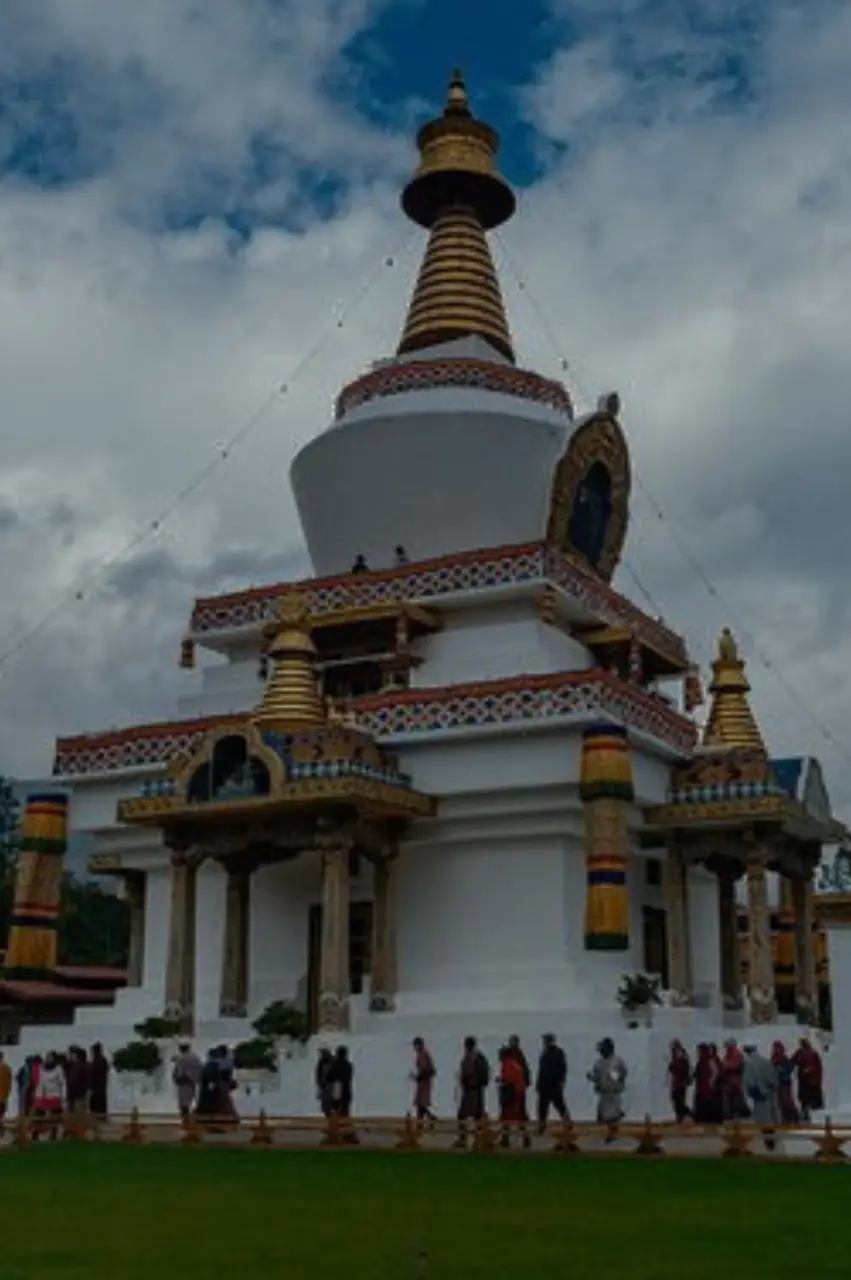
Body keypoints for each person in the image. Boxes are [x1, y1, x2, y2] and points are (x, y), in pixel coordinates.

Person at [454, 1036, 490, 1148]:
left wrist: (466, 1080)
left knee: (464, 1115)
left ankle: (465, 1139)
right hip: (474, 1090)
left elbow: (470, 1073)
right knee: (476, 1115)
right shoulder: (478, 1057)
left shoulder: (474, 1058)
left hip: (473, 1090)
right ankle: (479, 1138)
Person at [588, 1038, 627, 1140]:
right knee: (604, 1115)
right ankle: (612, 1129)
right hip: (603, 1092)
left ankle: (612, 1133)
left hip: (614, 1092)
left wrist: (617, 1081)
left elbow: (622, 1074)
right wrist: (593, 1079)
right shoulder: (599, 1062)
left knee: (611, 1114)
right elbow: (597, 1077)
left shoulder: (617, 1061)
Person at [742, 1043, 779, 1151]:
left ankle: (768, 1144)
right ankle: (771, 1142)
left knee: (762, 1120)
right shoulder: (765, 1061)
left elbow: (748, 1080)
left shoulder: (748, 1062)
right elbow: (773, 1079)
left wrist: (750, 1092)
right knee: (769, 1118)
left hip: (758, 1095)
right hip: (769, 1094)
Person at [497, 1046, 530, 1148]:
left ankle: (506, 1139)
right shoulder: (516, 1064)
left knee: (506, 1117)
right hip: (519, 1093)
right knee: (519, 1117)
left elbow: (509, 1079)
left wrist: (501, 1079)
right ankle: (525, 1137)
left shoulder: (507, 1064)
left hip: (511, 1094)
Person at [536, 1033, 568, 1134]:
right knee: (551, 1106)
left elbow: (561, 1069)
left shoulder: (554, 1053)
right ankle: (566, 1122)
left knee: (551, 1106)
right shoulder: (552, 1053)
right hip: (549, 1084)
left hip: (551, 1084)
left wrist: (560, 1081)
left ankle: (566, 1123)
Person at [33, 1052, 66, 1140]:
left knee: (50, 1116)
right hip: (50, 1096)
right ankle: (38, 1134)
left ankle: (49, 1134)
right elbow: (62, 1083)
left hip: (50, 1096)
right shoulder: (58, 1069)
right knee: (43, 1117)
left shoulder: (43, 1069)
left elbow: (39, 1083)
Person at [327, 1046, 356, 1142]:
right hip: (346, 1091)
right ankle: (348, 1134)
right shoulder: (348, 1065)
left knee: (336, 1112)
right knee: (345, 1112)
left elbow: (329, 1076)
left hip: (337, 1091)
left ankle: (336, 1133)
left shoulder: (335, 1065)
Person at [792, 1038, 824, 1120]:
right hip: (805, 1080)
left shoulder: (812, 1053)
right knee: (805, 1098)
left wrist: (809, 1070)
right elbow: (793, 1061)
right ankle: (806, 1112)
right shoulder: (801, 1053)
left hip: (811, 1080)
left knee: (810, 1097)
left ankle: (812, 1113)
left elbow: (817, 1066)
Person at [771, 1041, 799, 1124]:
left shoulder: (784, 1059)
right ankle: (786, 1119)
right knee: (781, 1102)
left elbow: (789, 1068)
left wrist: (781, 1070)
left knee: (787, 1101)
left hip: (784, 1083)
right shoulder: (774, 1058)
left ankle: (794, 1117)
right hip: (778, 1083)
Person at [720, 1039, 749, 1120]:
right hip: (729, 1083)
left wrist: (724, 1066)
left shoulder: (737, 1055)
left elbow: (734, 1066)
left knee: (736, 1101)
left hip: (735, 1083)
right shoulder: (727, 1055)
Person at [411, 1037, 437, 1126]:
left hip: (424, 1083)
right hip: (424, 1082)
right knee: (421, 1105)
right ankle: (425, 1121)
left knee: (420, 1104)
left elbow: (424, 1069)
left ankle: (425, 1121)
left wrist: (416, 1077)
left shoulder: (423, 1055)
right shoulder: (424, 1054)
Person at [693, 1043, 721, 1123]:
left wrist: (711, 1083)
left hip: (706, 1092)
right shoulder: (703, 1061)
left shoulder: (708, 1061)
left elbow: (715, 1073)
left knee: (705, 1114)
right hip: (703, 1091)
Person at [172, 1043, 202, 1119]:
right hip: (193, 1082)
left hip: (184, 1081)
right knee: (190, 1100)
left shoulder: (182, 1058)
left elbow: (179, 1071)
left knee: (184, 1104)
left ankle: (185, 1121)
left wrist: (177, 1079)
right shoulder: (195, 1057)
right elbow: (200, 1069)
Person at [668, 1040, 693, 1123]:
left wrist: (673, 1067)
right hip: (677, 1083)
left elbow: (682, 1068)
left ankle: (687, 1116)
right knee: (677, 1101)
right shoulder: (678, 1055)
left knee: (679, 1101)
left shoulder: (680, 1056)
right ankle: (681, 1117)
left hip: (680, 1083)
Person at [66, 1046, 90, 1118]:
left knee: (76, 1113)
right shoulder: (87, 1065)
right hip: (83, 1092)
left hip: (76, 1093)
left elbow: (73, 1080)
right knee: (81, 1111)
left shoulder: (77, 1066)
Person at [88, 1043, 111, 1120]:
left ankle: (97, 1122)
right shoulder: (104, 1060)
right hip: (102, 1087)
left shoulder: (96, 1061)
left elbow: (92, 1075)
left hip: (96, 1088)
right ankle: (102, 1119)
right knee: (102, 1107)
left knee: (95, 1109)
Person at [315, 1047, 335, 1117]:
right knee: (328, 1107)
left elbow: (318, 1075)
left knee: (329, 1107)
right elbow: (318, 1075)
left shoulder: (326, 1062)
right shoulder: (322, 1062)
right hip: (326, 1087)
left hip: (329, 1087)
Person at [0, 1052, 12, 1125]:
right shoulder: (6, 1068)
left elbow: (8, 1083)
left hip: (2, 1096)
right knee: (1, 1114)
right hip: (3, 1096)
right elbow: (8, 1084)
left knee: (1, 1114)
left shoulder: (6, 1068)